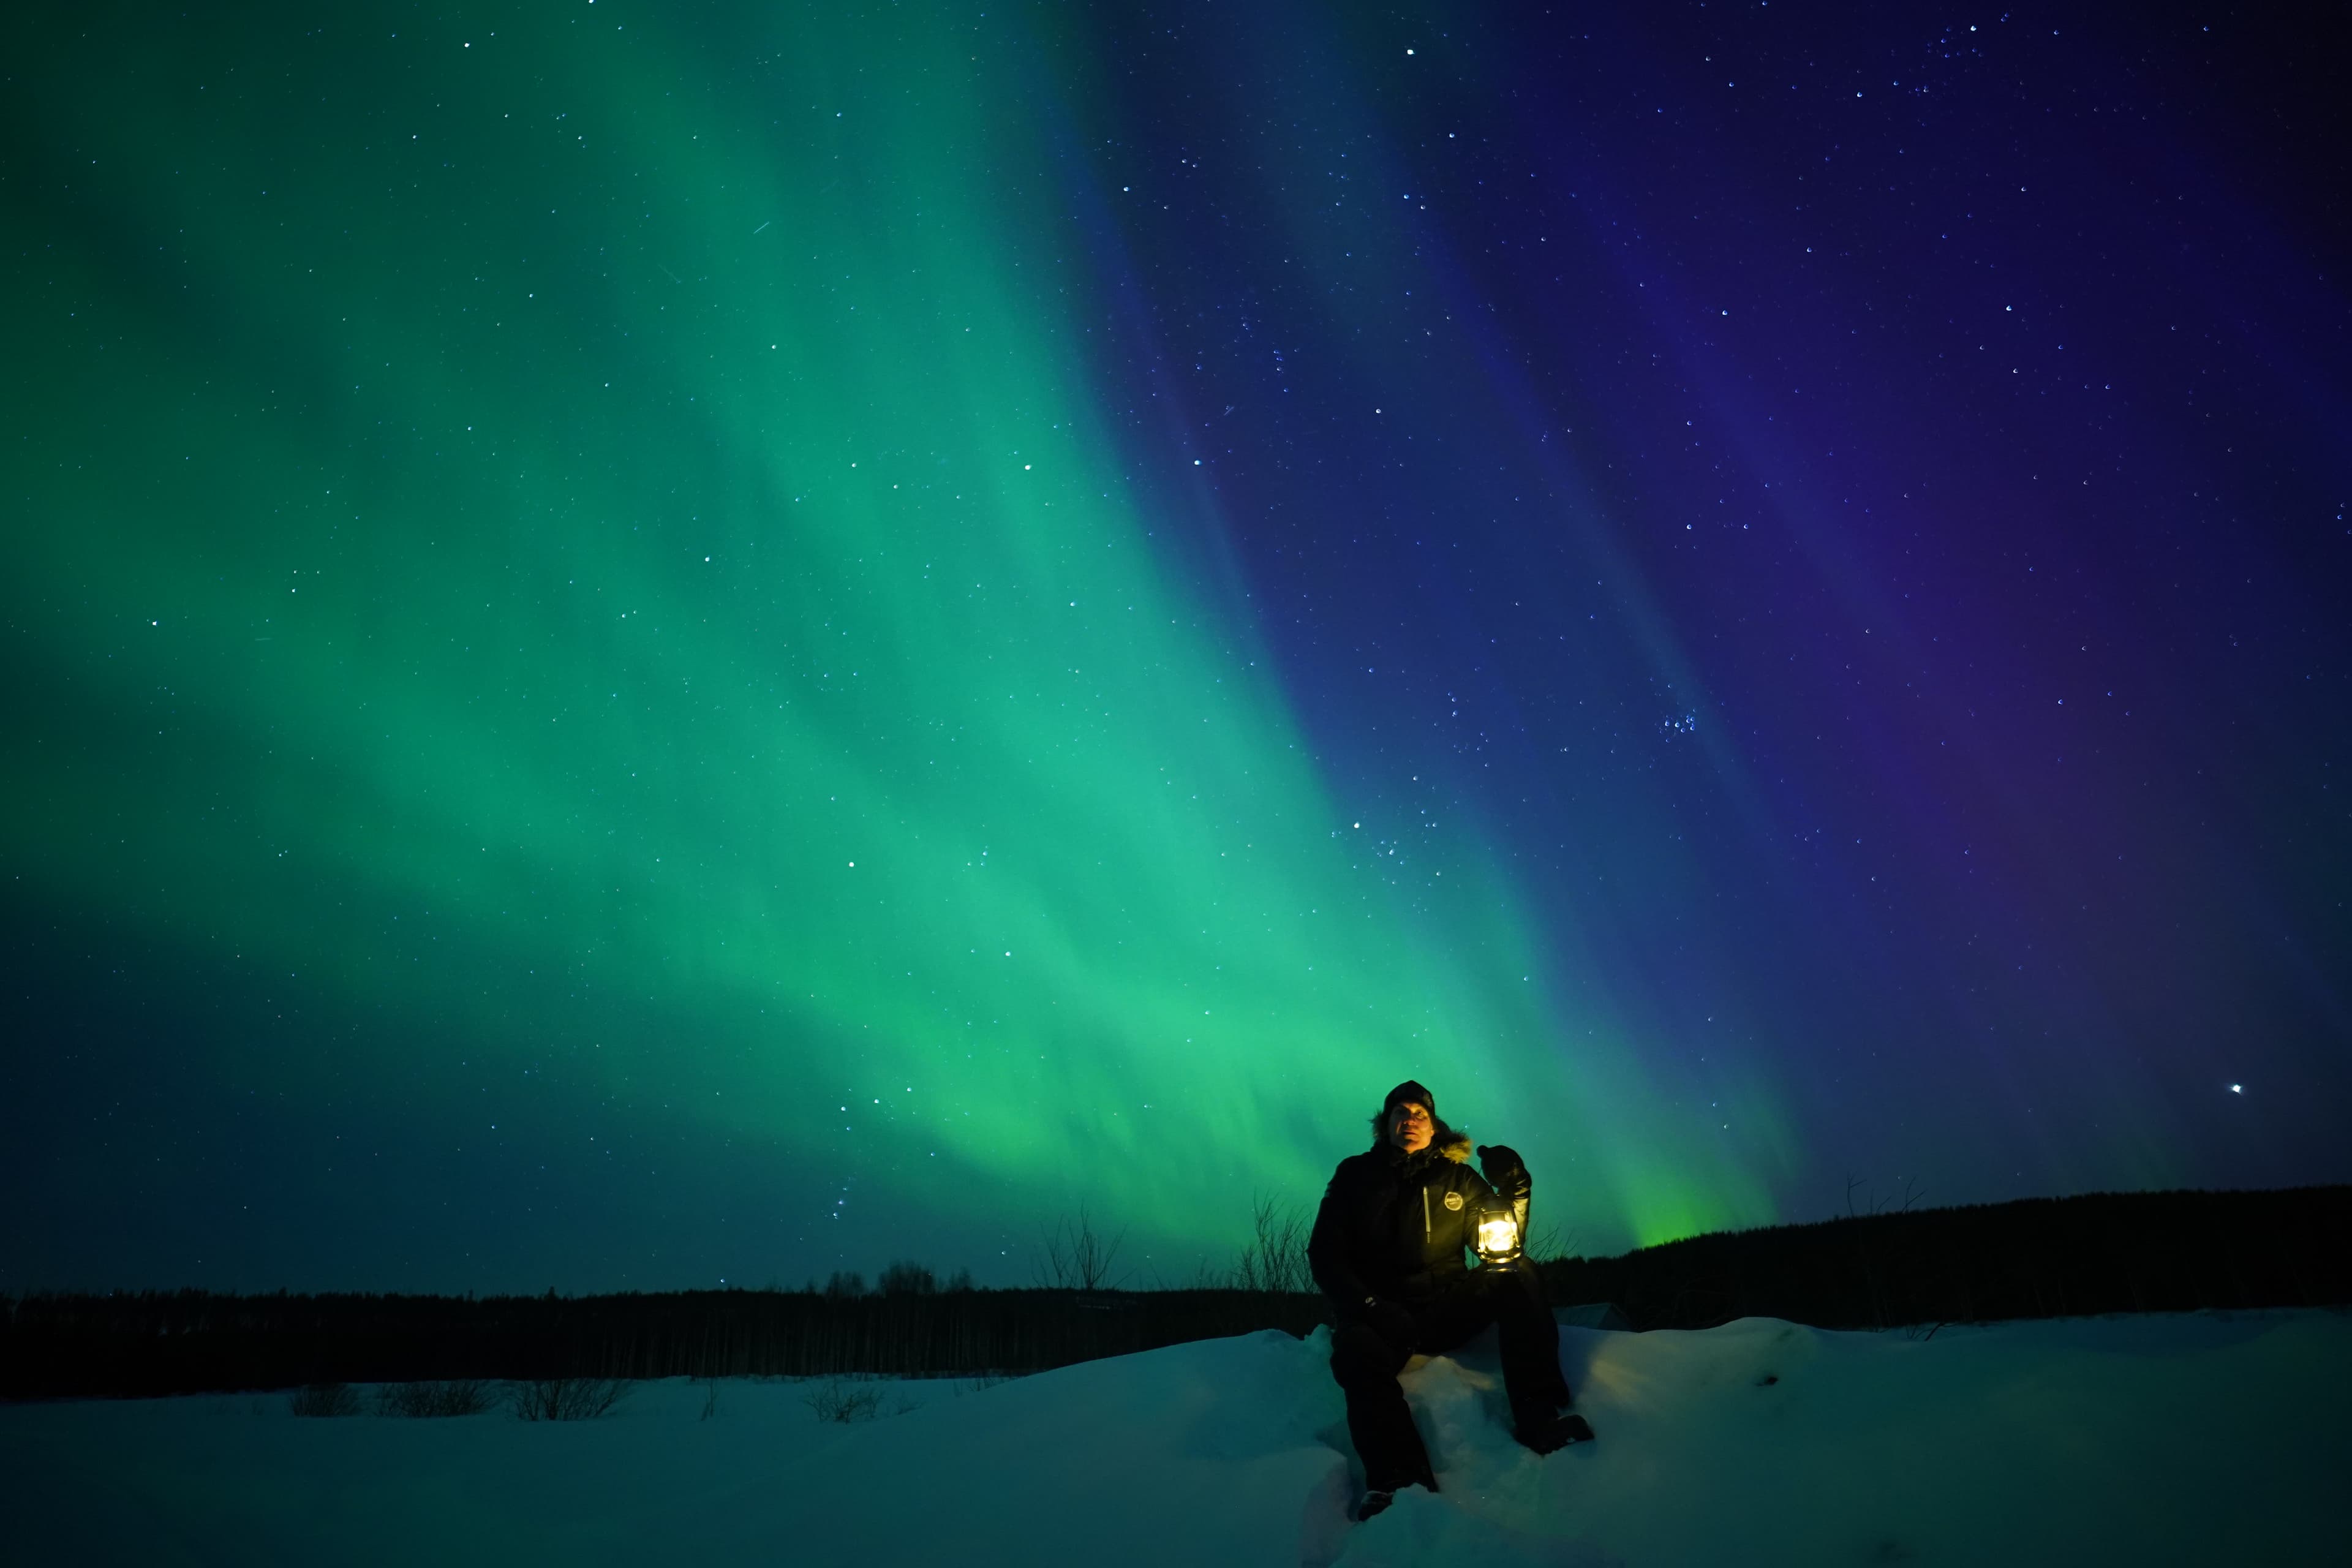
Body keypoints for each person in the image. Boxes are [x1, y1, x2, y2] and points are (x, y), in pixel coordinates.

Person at [1308, 1079, 1592, 1520]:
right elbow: (1325, 1254)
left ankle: (1539, 1418)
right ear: (1385, 1124)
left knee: (1518, 1272)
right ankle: (1399, 1482)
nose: (1410, 1120)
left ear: (1434, 1126)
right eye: (1400, 1112)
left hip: (1443, 1308)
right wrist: (1369, 1307)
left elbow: (1500, 1247)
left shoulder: (1457, 1178)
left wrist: (1516, 1192)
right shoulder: (1356, 1175)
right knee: (1355, 1355)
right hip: (1378, 1318)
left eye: (1420, 1114)